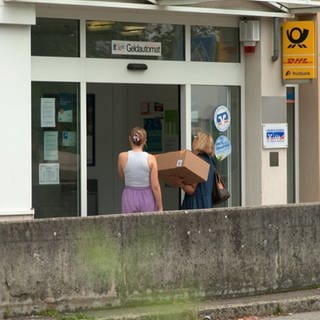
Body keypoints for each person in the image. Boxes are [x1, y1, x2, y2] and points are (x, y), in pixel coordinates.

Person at [117, 126, 163, 213]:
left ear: (130, 139)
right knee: (147, 225)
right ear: (145, 141)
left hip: (129, 195)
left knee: (129, 225)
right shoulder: (151, 158)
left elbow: (122, 176)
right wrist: (160, 207)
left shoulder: (122, 157)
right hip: (147, 195)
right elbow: (155, 186)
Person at [177, 131, 215, 209]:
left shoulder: (198, 161)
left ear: (200, 142)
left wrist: (180, 183)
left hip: (195, 205)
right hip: (206, 203)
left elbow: (191, 190)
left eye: (195, 138)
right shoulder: (210, 160)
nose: (193, 140)